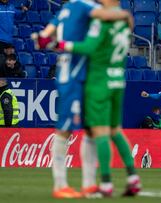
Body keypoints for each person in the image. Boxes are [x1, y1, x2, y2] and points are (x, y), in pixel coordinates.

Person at [31, 0, 135, 198]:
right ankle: (60, 184)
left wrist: (46, 39)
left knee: (90, 129)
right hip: (73, 74)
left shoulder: (67, 7)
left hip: (81, 74)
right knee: (65, 129)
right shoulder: (84, 5)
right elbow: (107, 14)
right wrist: (125, 16)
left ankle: (89, 184)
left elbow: (46, 34)